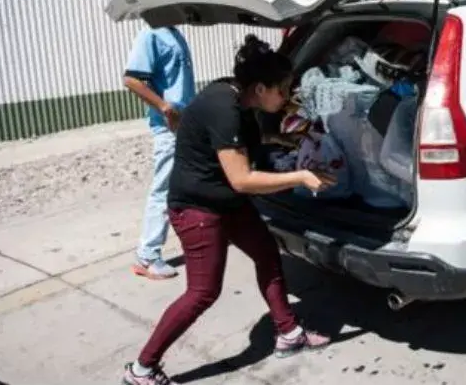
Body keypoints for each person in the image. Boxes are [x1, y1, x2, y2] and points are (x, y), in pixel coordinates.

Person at [122, 35, 335, 385]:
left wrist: (278, 140)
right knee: (202, 292)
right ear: (262, 88)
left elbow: (233, 144)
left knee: (267, 253)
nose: (287, 98)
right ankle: (143, 368)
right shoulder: (226, 108)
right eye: (282, 90)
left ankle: (288, 333)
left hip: (225, 201)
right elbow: (242, 178)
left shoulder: (236, 95)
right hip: (198, 209)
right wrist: (302, 176)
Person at [124, 25, 196, 280]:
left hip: (185, 123)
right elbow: (131, 79)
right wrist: (165, 107)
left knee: (187, 184)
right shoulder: (150, 35)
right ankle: (147, 255)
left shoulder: (174, 33)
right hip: (168, 128)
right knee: (163, 188)